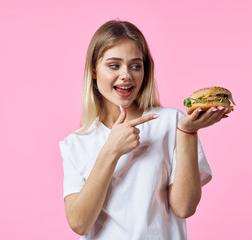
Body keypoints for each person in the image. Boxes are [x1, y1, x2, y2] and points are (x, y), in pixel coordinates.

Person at [59, 20, 229, 240]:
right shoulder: (75, 143)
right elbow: (80, 223)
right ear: (93, 70)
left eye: (136, 65)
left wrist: (188, 133)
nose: (126, 75)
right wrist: (111, 150)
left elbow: (184, 208)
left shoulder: (172, 121)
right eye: (114, 65)